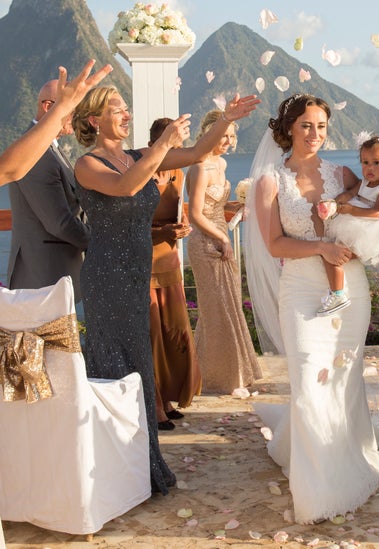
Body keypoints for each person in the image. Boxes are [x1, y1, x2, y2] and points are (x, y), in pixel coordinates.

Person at [72, 86, 260, 495]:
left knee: (140, 366)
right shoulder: (86, 164)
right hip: (107, 277)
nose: (126, 114)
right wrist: (161, 144)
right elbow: (125, 187)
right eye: (117, 110)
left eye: (125, 108)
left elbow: (196, 154)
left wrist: (226, 118)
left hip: (137, 274)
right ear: (94, 121)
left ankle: (143, 466)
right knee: (115, 366)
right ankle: (111, 470)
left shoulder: (140, 156)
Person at [246, 94, 379, 524]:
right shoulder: (269, 181)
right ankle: (318, 489)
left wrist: (360, 244)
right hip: (300, 290)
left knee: (341, 375)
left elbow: (371, 216)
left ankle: (346, 455)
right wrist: (321, 246)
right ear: (288, 129)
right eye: (306, 126)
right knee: (308, 376)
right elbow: (274, 243)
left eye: (321, 126)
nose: (314, 134)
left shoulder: (344, 173)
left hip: (348, 290)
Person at [186, 110, 262, 394]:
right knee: (215, 310)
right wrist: (222, 238)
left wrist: (240, 204)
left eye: (232, 136)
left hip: (222, 237)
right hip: (206, 243)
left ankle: (232, 372)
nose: (229, 141)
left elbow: (215, 205)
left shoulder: (221, 163)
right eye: (224, 136)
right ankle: (218, 377)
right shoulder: (198, 166)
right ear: (209, 134)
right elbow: (195, 214)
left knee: (228, 306)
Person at [7, 79, 89, 302]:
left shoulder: (51, 149)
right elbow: (59, 222)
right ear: (48, 106)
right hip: (42, 276)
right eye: (74, 109)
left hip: (56, 272)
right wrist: (99, 242)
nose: (79, 117)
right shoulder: (36, 153)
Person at [147, 117, 201, 431]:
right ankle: (155, 407)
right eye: (172, 144)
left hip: (170, 262)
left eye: (180, 145)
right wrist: (162, 229)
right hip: (146, 262)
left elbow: (179, 210)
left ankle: (168, 398)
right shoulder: (140, 173)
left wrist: (181, 228)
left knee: (174, 335)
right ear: (156, 142)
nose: (177, 151)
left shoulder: (178, 173)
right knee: (153, 338)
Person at [317, 135, 379, 316]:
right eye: (365, 163)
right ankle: (337, 290)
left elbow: (378, 212)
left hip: (374, 228)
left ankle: (338, 293)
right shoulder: (365, 182)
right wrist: (334, 203)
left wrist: (349, 210)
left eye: (376, 163)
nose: (369, 168)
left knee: (334, 254)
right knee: (332, 252)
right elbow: (350, 192)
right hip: (357, 222)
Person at [0, 60, 112, 186]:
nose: (77, 118)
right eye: (74, 111)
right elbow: (9, 171)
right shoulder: (39, 153)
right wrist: (64, 106)